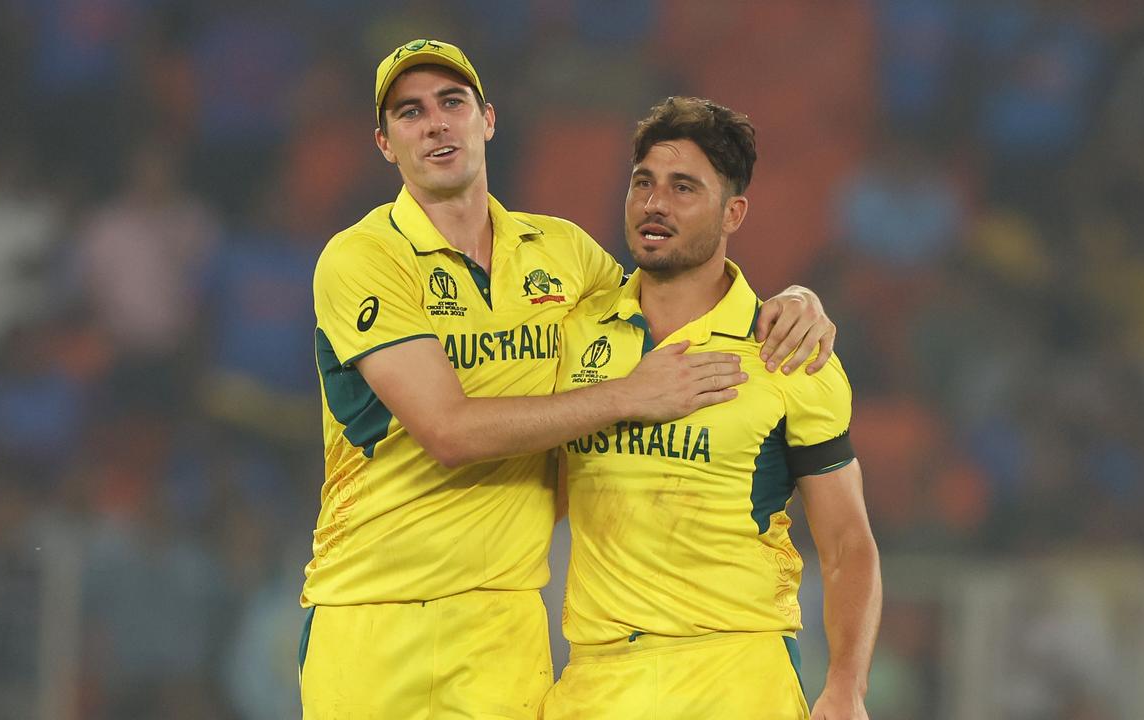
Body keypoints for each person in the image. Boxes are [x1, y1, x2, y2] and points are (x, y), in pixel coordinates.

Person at [301, 40, 839, 719]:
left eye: (452, 102)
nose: (436, 123)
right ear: (384, 142)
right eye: (410, 113)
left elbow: (680, 297)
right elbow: (448, 430)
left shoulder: (562, 253)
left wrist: (794, 302)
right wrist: (625, 395)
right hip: (370, 612)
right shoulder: (361, 259)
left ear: (487, 120)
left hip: (505, 624)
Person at [542, 97, 881, 720]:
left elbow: (846, 542)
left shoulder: (786, 353)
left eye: (682, 188)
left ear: (734, 213)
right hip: (595, 681)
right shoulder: (573, 334)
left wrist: (846, 686)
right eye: (642, 183)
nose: (654, 204)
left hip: (736, 678)